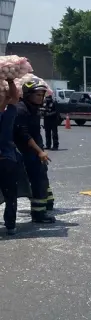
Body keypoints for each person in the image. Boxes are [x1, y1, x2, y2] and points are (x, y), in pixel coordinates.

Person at [14, 77, 56, 224]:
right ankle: (38, 214)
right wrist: (39, 151)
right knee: (37, 181)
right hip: (25, 152)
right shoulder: (21, 109)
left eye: (42, 95)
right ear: (27, 94)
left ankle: (47, 204)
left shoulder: (34, 109)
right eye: (37, 94)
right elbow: (24, 135)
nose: (40, 98)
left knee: (41, 178)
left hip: (35, 151)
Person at [0, 79, 21, 235]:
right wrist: (11, 80)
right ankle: (10, 225)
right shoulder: (8, 117)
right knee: (10, 194)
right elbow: (15, 98)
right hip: (7, 160)